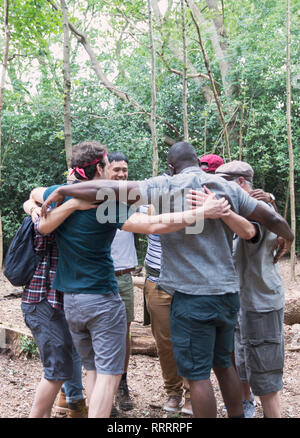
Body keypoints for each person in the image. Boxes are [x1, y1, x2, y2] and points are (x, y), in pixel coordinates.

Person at [41, 141, 293, 418]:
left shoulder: (164, 186)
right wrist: (288, 235)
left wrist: (65, 189)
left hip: (190, 296)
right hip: (228, 293)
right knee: (224, 365)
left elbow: (108, 190)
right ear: (196, 161)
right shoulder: (224, 186)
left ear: (171, 167)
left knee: (197, 377)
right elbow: (267, 215)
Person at [215, 160, 286, 418]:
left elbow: (253, 230)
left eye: (222, 181)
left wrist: (271, 199)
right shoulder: (241, 207)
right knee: (243, 365)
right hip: (240, 303)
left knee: (266, 379)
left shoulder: (259, 209)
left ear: (241, 183)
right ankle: (247, 406)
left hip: (262, 305)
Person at [21, 195, 90, 418]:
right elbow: (34, 198)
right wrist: (33, 207)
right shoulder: (49, 220)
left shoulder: (61, 213)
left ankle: (73, 401)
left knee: (66, 358)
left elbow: (32, 199)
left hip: (56, 302)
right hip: (41, 301)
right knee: (56, 369)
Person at [108, 152, 138, 412]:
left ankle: (122, 383)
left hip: (125, 275)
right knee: (99, 333)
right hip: (99, 275)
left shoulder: (135, 196)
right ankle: (102, 390)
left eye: (124, 170)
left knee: (124, 334)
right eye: (116, 169)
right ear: (105, 169)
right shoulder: (93, 196)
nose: (120, 174)